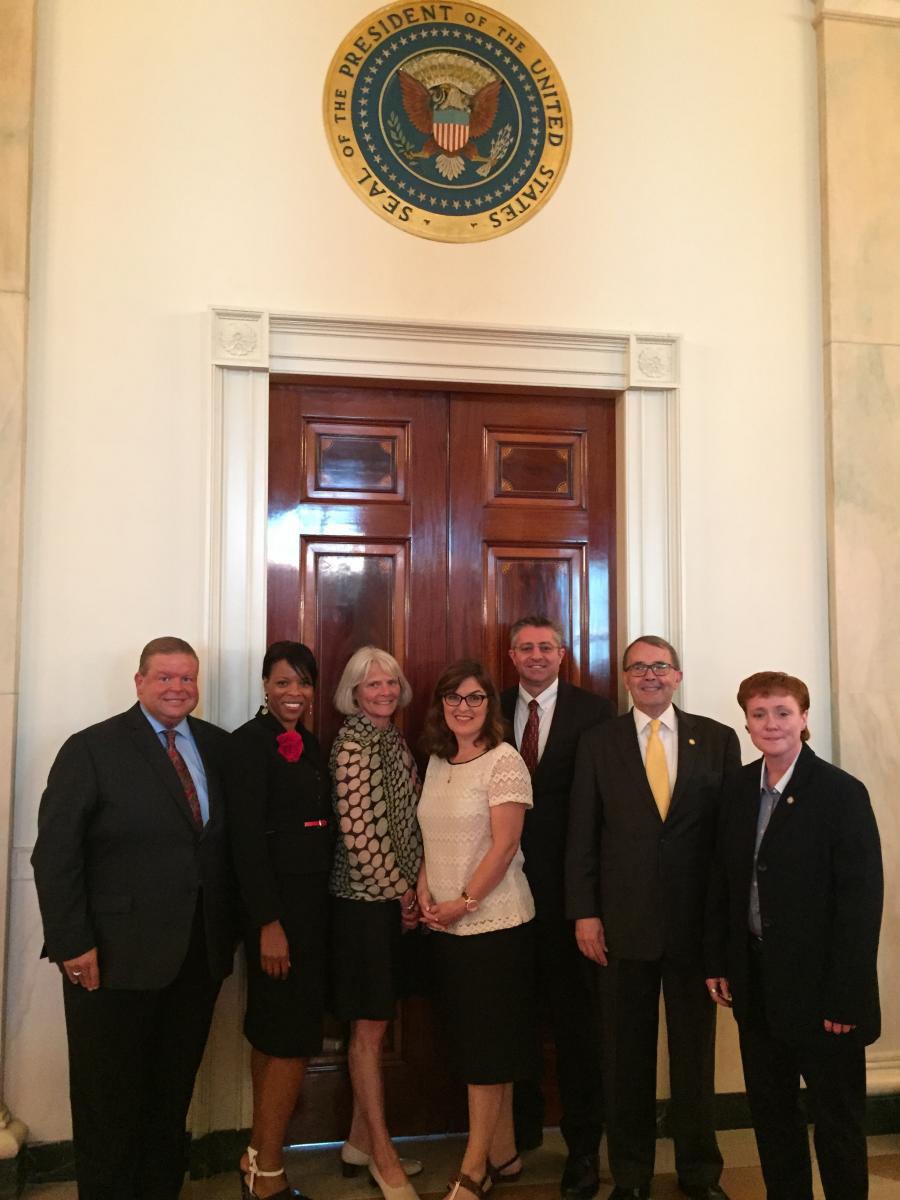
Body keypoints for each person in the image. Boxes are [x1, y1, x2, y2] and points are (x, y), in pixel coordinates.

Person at [31, 636, 235, 1199]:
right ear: (140, 682)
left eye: (187, 678)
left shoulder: (217, 748)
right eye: (165, 677)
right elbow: (55, 854)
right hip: (110, 959)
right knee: (108, 1102)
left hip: (198, 956)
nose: (177, 688)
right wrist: (73, 943)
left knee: (170, 1097)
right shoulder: (92, 747)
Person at [566, 635, 740, 1200]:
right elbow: (582, 837)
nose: (649, 675)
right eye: (638, 667)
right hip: (620, 928)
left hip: (695, 932)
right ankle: (632, 1177)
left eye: (659, 666)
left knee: (695, 1061)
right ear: (624, 677)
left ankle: (701, 1174)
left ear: (678, 674)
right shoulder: (599, 742)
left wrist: (724, 927)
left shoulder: (717, 739)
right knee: (625, 1061)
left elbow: (728, 844)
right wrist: (584, 913)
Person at [705, 672, 883, 1200]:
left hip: (826, 994)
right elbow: (723, 880)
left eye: (783, 712)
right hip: (757, 984)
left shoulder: (841, 792)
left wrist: (845, 996)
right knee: (773, 1117)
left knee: (837, 1122)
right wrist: (720, 960)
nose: (771, 724)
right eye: (759, 714)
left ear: (804, 719)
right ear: (746, 722)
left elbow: (860, 902)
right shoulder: (736, 788)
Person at [500, 615, 615, 1199]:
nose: (537, 655)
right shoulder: (489, 708)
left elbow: (604, 812)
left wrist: (589, 900)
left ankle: (583, 1151)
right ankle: (514, 1135)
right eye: (526, 647)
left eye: (547, 646)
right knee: (511, 1016)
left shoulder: (598, 713)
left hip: (570, 899)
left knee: (577, 1029)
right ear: (511, 654)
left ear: (563, 654)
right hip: (500, 894)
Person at [417, 659, 537, 1200]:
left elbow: (505, 844)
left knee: (485, 1049)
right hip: (444, 927)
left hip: (494, 924)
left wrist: (463, 902)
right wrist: (423, 886)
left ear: (491, 706)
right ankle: (505, 1152)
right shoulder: (439, 761)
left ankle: (474, 1167)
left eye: (475, 698)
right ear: (441, 705)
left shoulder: (504, 761)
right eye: (453, 698)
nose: (463, 707)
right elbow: (432, 832)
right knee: (476, 1041)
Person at [226, 641, 335, 1200]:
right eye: (283, 682)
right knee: (287, 1037)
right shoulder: (248, 745)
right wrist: (268, 922)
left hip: (312, 910)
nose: (294, 693)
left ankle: (255, 1156)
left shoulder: (310, 743)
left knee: (276, 1033)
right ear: (265, 686)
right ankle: (269, 1172)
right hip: (278, 913)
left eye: (304, 683)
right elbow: (245, 841)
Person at [329, 646, 424, 1200]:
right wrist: (404, 895)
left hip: (395, 904)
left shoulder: (391, 738)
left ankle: (358, 1143)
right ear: (354, 693)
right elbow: (360, 837)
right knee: (367, 1031)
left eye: (390, 682)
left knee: (379, 1024)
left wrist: (411, 896)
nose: (384, 691)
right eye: (372, 685)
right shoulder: (353, 744)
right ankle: (382, 1158)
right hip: (365, 908)